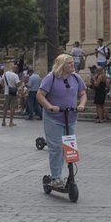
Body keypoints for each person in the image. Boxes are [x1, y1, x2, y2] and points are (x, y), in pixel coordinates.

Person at [36, 54, 87, 188]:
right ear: (62, 65)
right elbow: (40, 95)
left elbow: (82, 93)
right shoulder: (51, 78)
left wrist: (81, 104)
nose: (72, 65)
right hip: (53, 118)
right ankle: (56, 177)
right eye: (69, 63)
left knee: (69, 148)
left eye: (72, 62)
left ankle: (70, 175)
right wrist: (50, 107)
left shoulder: (76, 78)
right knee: (56, 148)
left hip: (71, 117)